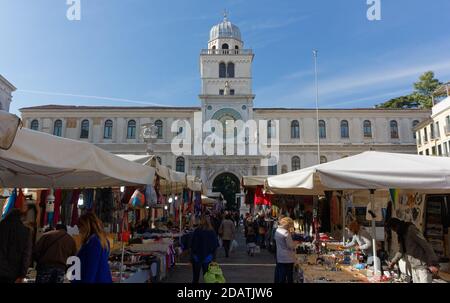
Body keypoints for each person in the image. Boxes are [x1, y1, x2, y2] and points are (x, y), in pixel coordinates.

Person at [385, 218, 439, 283]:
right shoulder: (402, 234)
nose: (394, 231)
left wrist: (433, 263)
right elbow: (401, 251)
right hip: (414, 267)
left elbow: (426, 245)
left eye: (393, 229)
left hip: (423, 267)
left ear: (397, 225)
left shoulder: (411, 229)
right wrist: (393, 262)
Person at [74, 212, 112, 283]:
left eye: (80, 227)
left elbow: (91, 270)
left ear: (86, 226)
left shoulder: (94, 243)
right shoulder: (103, 240)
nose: (79, 230)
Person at [0, 209, 33, 283]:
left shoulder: (1, 226)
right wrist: (22, 275)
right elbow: (26, 255)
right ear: (21, 217)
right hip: (14, 274)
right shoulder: (26, 231)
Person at [190, 216, 219, 283]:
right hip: (207, 257)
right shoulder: (212, 232)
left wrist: (191, 257)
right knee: (207, 277)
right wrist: (214, 258)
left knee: (195, 277)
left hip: (196, 257)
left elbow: (192, 244)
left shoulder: (197, 231)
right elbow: (215, 245)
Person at [274, 217, 296, 283]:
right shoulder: (286, 233)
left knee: (281, 275)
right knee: (289, 276)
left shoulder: (277, 230)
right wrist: (295, 243)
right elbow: (290, 246)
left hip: (280, 256)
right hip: (288, 258)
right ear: (288, 225)